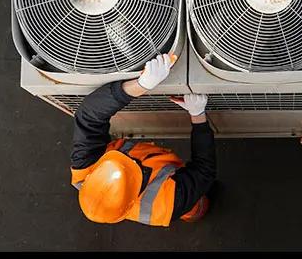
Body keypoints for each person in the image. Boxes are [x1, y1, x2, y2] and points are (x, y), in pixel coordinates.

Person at [70, 53, 216, 226]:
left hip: (159, 165)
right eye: (131, 165)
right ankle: (196, 210)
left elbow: (89, 115)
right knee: (196, 204)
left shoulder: (84, 168)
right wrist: (198, 115)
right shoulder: (165, 205)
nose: (130, 159)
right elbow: (204, 170)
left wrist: (141, 85)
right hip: (177, 194)